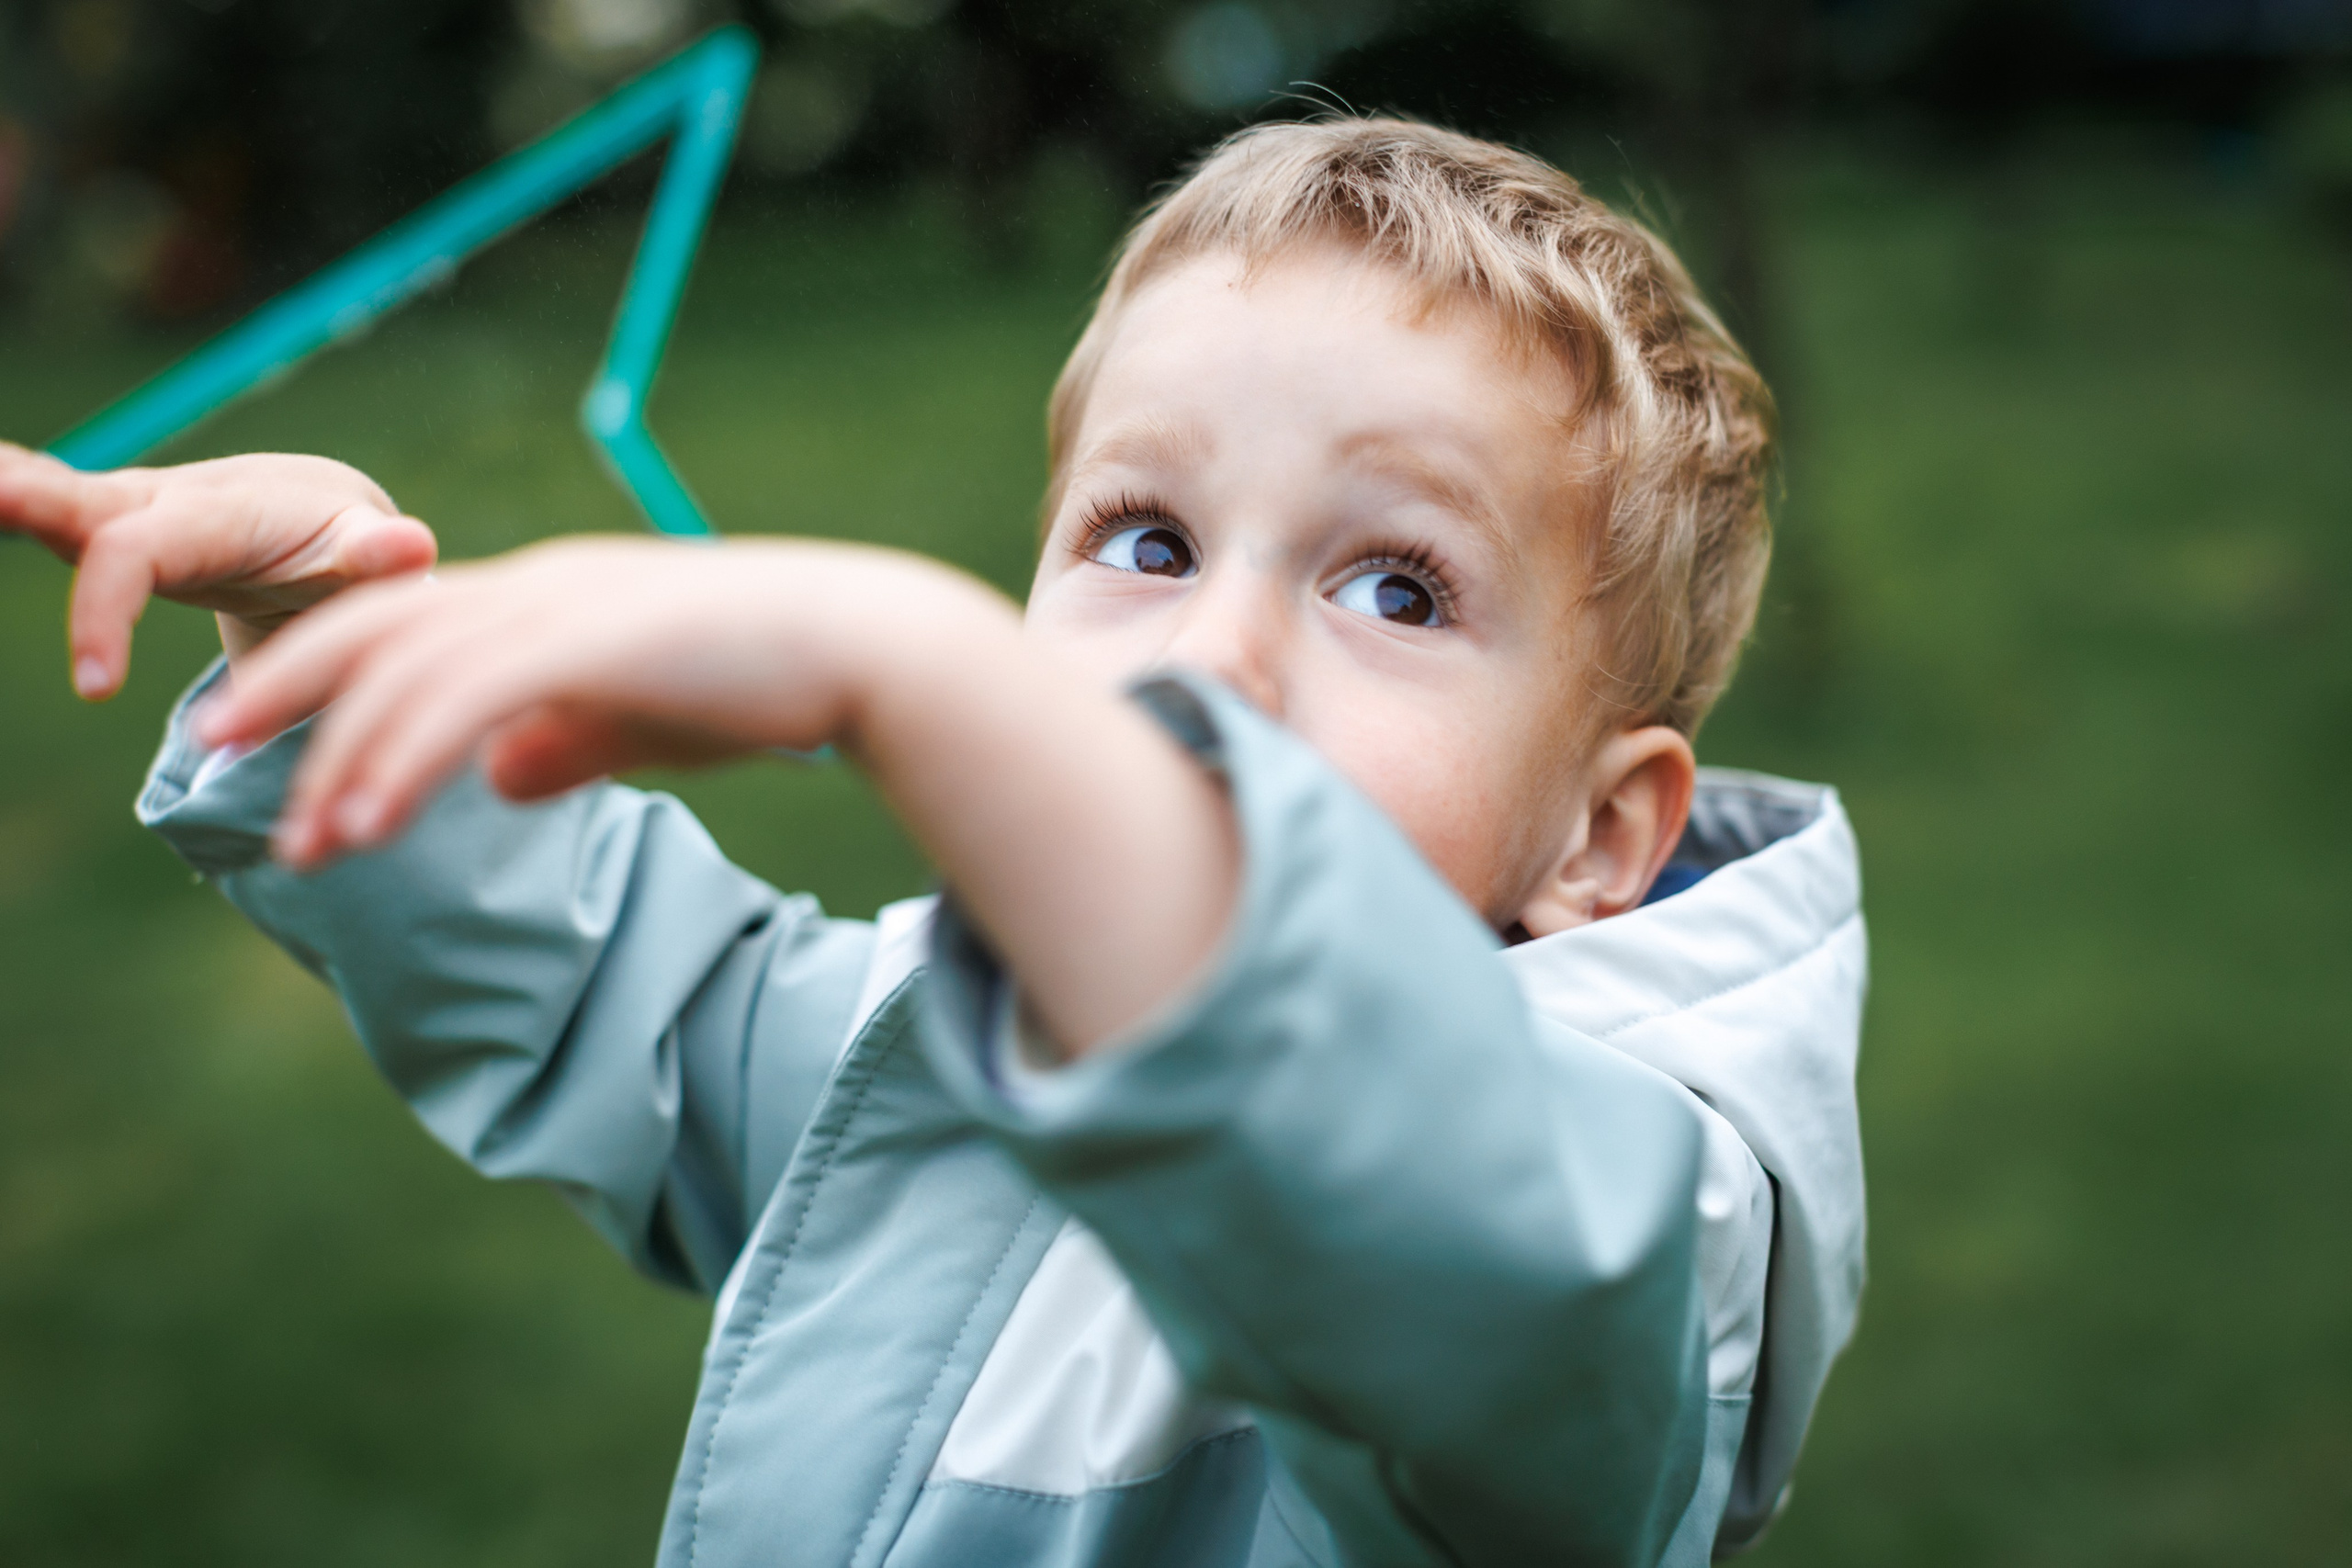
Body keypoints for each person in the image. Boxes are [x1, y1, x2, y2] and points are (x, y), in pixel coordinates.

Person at [0, 118, 1865, 1567]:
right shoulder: (945, 1032)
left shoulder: (1635, 1235)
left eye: (1395, 585)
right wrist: (327, 655)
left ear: (1598, 837)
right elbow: (625, 995)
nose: (1212, 652)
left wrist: (930, 676)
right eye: (1148, 538)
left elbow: (1452, 1239)